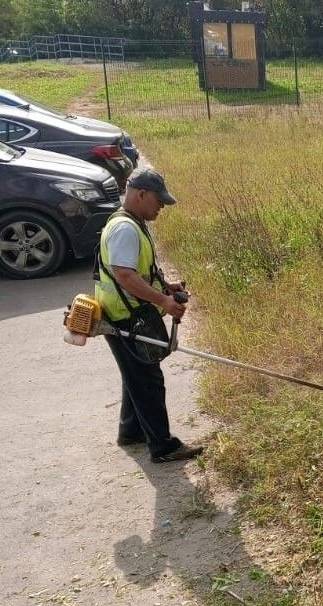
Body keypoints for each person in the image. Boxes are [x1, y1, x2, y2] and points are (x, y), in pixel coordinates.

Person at [94, 168, 203, 463]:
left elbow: (137, 271)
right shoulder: (125, 229)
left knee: (137, 374)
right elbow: (125, 276)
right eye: (159, 201)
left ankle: (131, 431)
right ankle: (163, 447)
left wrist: (165, 285)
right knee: (148, 380)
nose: (162, 207)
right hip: (123, 316)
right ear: (141, 194)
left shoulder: (132, 221)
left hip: (121, 312)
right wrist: (164, 302)